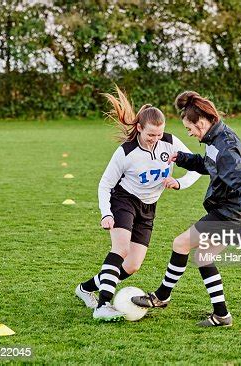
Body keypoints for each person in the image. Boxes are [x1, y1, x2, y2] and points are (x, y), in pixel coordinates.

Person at [132, 91, 241, 327]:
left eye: (190, 128)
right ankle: (222, 316)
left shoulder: (226, 147)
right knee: (204, 256)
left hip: (231, 213)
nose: (190, 133)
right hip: (232, 211)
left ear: (201, 122)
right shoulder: (217, 139)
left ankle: (161, 297)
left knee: (180, 243)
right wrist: (182, 158)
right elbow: (209, 165)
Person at [75, 86, 200, 321]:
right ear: (140, 128)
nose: (156, 139)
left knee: (132, 266)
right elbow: (105, 184)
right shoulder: (126, 152)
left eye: (160, 134)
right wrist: (105, 213)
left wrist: (179, 182)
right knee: (120, 250)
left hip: (149, 207)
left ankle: (85, 288)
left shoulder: (170, 143)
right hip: (124, 200)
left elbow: (196, 167)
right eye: (151, 134)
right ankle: (102, 306)